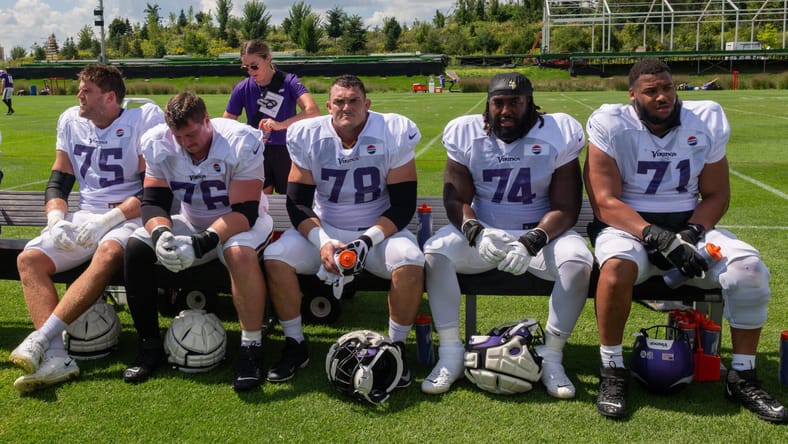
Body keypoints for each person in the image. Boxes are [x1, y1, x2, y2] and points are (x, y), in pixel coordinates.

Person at [584, 58, 787, 423]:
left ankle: (742, 375)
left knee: (749, 270)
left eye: (668, 88)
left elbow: (716, 195)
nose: (663, 96)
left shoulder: (704, 120)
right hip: (629, 226)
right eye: (651, 91)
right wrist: (659, 238)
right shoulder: (610, 123)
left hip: (689, 223)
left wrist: (690, 234)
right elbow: (603, 202)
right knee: (615, 270)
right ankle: (612, 369)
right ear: (633, 95)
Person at [420, 72, 593, 397]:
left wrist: (534, 240)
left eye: (515, 102)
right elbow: (456, 199)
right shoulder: (466, 132)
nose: (506, 111)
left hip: (542, 238)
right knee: (436, 252)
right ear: (488, 104)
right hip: (486, 237)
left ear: (530, 104)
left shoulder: (557, 131)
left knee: (578, 259)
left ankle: (551, 356)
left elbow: (567, 207)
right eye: (498, 103)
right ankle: (451, 354)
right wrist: (476, 233)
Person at [8, 64, 164, 393]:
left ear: (109, 97)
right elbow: (59, 180)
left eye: (86, 90)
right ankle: (55, 356)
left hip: (129, 217)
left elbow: (151, 191)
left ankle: (40, 338)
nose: (78, 94)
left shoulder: (142, 119)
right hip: (85, 214)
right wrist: (56, 219)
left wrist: (108, 221)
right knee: (28, 259)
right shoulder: (70, 120)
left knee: (109, 251)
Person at [263, 74, 424, 386]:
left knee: (411, 260)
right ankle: (295, 344)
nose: (346, 107)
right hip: (326, 230)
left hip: (378, 233)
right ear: (328, 106)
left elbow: (403, 205)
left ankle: (395, 349)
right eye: (339, 101)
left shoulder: (393, 131)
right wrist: (323, 241)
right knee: (275, 257)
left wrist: (365, 241)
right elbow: (297, 204)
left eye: (353, 101)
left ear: (367, 104)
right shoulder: (308, 134)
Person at [122, 92, 273, 392]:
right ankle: (149, 344)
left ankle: (251, 348)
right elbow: (154, 202)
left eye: (191, 133)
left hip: (243, 222)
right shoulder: (158, 143)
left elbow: (245, 211)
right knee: (137, 247)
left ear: (207, 120)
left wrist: (202, 243)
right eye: (179, 136)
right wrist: (161, 234)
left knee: (239, 253)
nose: (186, 143)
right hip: (191, 220)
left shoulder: (240, 141)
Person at [223, 39, 320, 195]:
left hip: (286, 150)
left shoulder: (289, 82)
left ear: (268, 58)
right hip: (256, 152)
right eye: (245, 67)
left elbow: (313, 111)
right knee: (260, 203)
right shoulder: (242, 88)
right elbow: (226, 123)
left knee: (290, 203)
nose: (250, 71)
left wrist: (281, 125)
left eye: (254, 66)